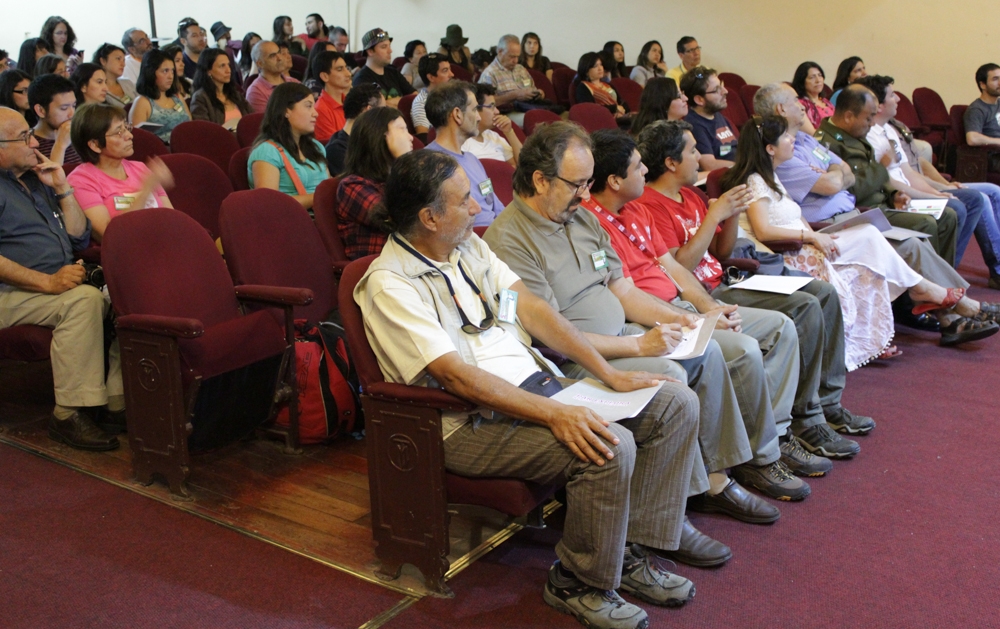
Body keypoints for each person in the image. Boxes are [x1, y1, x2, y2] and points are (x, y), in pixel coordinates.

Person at [357, 148, 702, 629]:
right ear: (429, 217)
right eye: (464, 201)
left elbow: (533, 309)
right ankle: (577, 582)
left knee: (674, 404)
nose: (478, 208)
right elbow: (456, 376)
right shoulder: (389, 284)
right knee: (608, 444)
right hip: (467, 421)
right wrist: (556, 413)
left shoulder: (467, 248)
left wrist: (609, 371)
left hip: (536, 388)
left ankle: (628, 554)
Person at [486, 121, 800, 524]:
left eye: (587, 183)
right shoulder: (509, 240)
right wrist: (639, 346)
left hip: (622, 334)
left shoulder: (580, 219)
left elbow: (624, 291)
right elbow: (553, 334)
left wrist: (689, 319)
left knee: (709, 348)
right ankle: (674, 503)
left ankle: (719, 476)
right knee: (669, 373)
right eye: (578, 184)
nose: (586, 194)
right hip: (576, 356)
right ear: (540, 181)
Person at [592, 129, 849, 473]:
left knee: (797, 316)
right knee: (749, 346)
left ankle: (794, 423)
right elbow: (668, 273)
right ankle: (762, 451)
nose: (701, 157)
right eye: (692, 150)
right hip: (671, 307)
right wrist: (701, 310)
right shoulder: (629, 212)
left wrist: (710, 306)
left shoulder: (645, 209)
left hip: (708, 290)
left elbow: (696, 263)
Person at [724, 113, 999, 349]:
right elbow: (763, 230)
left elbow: (803, 213)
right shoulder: (757, 181)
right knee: (872, 238)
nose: (792, 139)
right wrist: (812, 236)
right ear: (770, 149)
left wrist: (813, 234)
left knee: (888, 241)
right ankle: (935, 296)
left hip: (810, 242)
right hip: (793, 253)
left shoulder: (773, 177)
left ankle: (939, 304)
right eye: (786, 137)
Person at [0, 106, 125, 451]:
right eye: (25, 136)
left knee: (123, 294)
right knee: (82, 302)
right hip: (10, 292)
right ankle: (69, 413)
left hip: (52, 284)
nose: (35, 141)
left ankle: (116, 402)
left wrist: (62, 187)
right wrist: (47, 283)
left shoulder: (32, 179)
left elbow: (77, 238)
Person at [815, 85, 960, 264]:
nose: (872, 123)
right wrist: (882, 167)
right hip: (864, 211)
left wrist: (894, 194)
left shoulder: (852, 131)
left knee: (948, 216)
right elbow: (854, 191)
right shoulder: (827, 144)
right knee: (926, 222)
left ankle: (945, 276)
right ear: (848, 116)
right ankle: (927, 284)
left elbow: (870, 172)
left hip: (882, 204)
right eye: (868, 118)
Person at [858, 75, 983, 267]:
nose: (898, 99)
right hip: (898, 198)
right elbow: (890, 183)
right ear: (879, 106)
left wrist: (937, 192)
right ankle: (942, 269)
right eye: (892, 95)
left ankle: (948, 266)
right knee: (954, 208)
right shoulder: (869, 136)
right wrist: (937, 198)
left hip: (911, 190)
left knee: (974, 198)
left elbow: (908, 172)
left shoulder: (889, 130)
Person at [67, 103, 174, 241]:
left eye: (126, 128)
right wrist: (146, 188)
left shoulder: (140, 168)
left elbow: (172, 217)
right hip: (128, 251)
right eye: (119, 132)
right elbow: (110, 235)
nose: (129, 135)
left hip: (163, 241)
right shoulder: (81, 180)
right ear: (95, 145)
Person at [426, 82, 505, 227]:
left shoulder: (472, 159)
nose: (479, 118)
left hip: (496, 235)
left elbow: (493, 203)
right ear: (457, 115)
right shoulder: (430, 163)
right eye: (474, 109)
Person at [336, 107, 412, 259]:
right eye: (402, 129)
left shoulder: (390, 179)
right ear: (379, 136)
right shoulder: (353, 186)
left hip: (409, 263)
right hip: (380, 271)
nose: (410, 137)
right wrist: (405, 162)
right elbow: (403, 220)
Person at [248, 82, 329, 209]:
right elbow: (268, 203)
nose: (315, 113)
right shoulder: (267, 151)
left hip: (324, 217)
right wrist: (319, 198)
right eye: (308, 106)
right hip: (290, 223)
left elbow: (328, 185)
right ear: (286, 111)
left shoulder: (316, 146)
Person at [129, 49, 191, 143]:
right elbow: (137, 140)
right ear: (151, 73)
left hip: (187, 145)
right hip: (161, 152)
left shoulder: (177, 97)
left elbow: (191, 125)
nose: (171, 76)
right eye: (165, 71)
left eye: (172, 71)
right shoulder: (143, 102)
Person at [681, 66, 737, 170]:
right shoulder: (695, 125)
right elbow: (709, 165)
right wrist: (744, 166)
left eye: (722, 85)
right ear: (699, 100)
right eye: (717, 90)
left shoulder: (718, 116)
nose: (725, 91)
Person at [325, 84, 384, 175]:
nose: (385, 118)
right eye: (382, 111)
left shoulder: (371, 141)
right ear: (369, 110)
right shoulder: (337, 150)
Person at [478, 35, 543, 111]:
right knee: (537, 117)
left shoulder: (520, 69)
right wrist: (514, 95)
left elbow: (533, 88)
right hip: (507, 113)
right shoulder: (489, 74)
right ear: (500, 51)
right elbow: (486, 104)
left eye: (517, 57)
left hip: (530, 106)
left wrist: (538, 93)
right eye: (512, 57)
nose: (515, 61)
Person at [190, 48, 251, 129]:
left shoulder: (234, 94)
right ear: (208, 71)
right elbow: (204, 130)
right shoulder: (200, 98)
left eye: (228, 65)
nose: (228, 70)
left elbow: (251, 118)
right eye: (222, 66)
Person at [462, 83, 521, 166]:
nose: (497, 112)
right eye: (492, 106)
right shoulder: (462, 143)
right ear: (475, 109)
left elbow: (522, 166)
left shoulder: (494, 136)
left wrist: (509, 132)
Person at [352, 28, 414, 106]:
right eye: (384, 47)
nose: (390, 51)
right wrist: (403, 102)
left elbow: (415, 98)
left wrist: (387, 103)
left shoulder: (394, 72)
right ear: (370, 51)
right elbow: (374, 109)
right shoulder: (361, 79)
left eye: (389, 46)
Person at [29, 74, 80, 167]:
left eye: (73, 106)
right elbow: (51, 179)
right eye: (64, 108)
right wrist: (60, 146)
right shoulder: (30, 144)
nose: (72, 114)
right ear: (41, 110)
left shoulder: (78, 135)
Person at [245, 41, 301, 114]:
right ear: (260, 64)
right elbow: (266, 123)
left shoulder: (294, 82)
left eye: (279, 53)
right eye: (272, 56)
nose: (279, 58)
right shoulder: (256, 92)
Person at [411, 53, 453, 139]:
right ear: (431, 77)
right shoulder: (421, 103)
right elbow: (425, 139)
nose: (451, 74)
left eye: (450, 69)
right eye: (445, 70)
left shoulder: (454, 95)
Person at [311, 51, 351, 142]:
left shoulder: (350, 102)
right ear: (325, 76)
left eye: (346, 68)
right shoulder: (320, 110)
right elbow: (336, 148)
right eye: (340, 69)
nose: (348, 73)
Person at [575, 53, 628, 118]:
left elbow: (621, 102)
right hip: (602, 120)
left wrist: (623, 110)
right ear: (586, 70)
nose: (600, 68)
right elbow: (590, 109)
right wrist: (614, 109)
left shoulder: (608, 85)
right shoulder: (583, 88)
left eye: (601, 64)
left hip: (620, 117)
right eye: (595, 66)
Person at [792, 61, 833, 133]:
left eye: (820, 75)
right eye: (812, 77)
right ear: (802, 81)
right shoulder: (800, 105)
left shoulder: (825, 101)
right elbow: (812, 133)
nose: (818, 80)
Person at [94, 43, 137, 109]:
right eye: (118, 59)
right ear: (103, 61)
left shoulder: (128, 83)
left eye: (124, 60)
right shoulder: (97, 89)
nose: (123, 64)